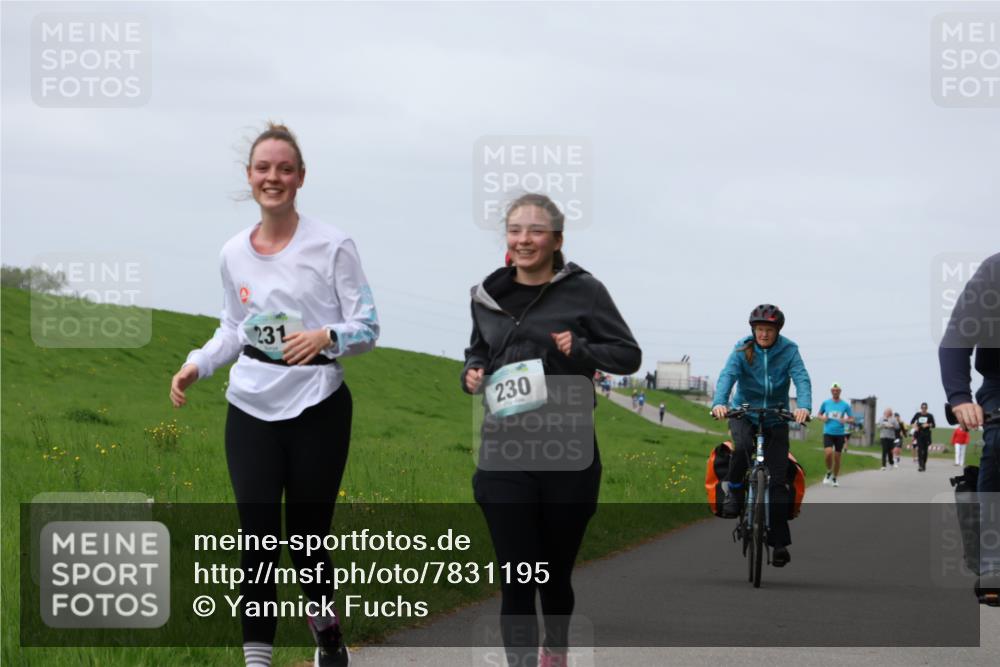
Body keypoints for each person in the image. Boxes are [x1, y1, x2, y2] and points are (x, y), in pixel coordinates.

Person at [170, 124, 378, 667]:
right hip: (250, 408)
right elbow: (234, 328)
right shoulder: (233, 253)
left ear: (301, 178)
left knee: (308, 542)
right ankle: (256, 661)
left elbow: (369, 327)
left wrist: (326, 337)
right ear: (249, 177)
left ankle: (328, 634)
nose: (273, 178)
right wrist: (198, 364)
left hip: (317, 407)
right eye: (264, 168)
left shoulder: (332, 245)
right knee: (257, 541)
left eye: (285, 169)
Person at [462, 193, 641, 667]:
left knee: (554, 576)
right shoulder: (486, 294)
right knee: (518, 576)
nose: (524, 239)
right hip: (504, 453)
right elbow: (479, 350)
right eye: (516, 230)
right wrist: (473, 373)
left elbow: (627, 355)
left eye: (536, 231)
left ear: (557, 239)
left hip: (567, 453)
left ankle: (555, 652)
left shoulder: (586, 292)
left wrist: (580, 349)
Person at [710, 304, 811, 568]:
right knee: (742, 448)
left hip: (776, 416)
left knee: (777, 482)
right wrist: (719, 403)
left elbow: (801, 378)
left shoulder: (789, 350)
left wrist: (803, 406)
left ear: (777, 331)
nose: (763, 334)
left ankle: (778, 545)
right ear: (753, 330)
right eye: (759, 329)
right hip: (745, 413)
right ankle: (733, 493)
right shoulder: (742, 349)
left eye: (768, 330)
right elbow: (727, 376)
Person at [938, 251, 999, 597]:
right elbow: (958, 336)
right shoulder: (994, 272)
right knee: (999, 443)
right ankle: (993, 557)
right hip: (999, 381)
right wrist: (960, 398)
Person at [818, 383, 854, 486]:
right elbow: (819, 415)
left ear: (840, 391)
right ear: (831, 391)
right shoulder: (826, 403)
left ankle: (834, 478)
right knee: (828, 453)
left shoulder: (845, 405)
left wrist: (845, 420)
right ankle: (829, 472)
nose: (835, 392)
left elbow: (852, 418)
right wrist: (823, 418)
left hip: (839, 434)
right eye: (833, 390)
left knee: (837, 458)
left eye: (837, 390)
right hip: (828, 432)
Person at [910, 402, 937, 471]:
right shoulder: (918, 414)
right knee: (919, 450)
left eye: (925, 408)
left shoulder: (930, 415)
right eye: (922, 408)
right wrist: (915, 426)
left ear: (927, 408)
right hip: (919, 434)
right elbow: (912, 422)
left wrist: (928, 425)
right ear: (921, 408)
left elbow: (933, 425)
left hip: (927, 434)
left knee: (925, 451)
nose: (923, 409)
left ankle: (924, 464)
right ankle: (920, 465)